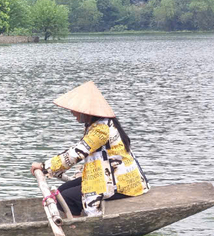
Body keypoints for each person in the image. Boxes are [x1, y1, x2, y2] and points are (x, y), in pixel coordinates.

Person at [30, 81, 149, 217]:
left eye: (75, 110)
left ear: (86, 111)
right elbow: (77, 150)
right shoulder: (96, 125)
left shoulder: (101, 130)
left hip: (121, 184)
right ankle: (75, 221)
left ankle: (77, 229)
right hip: (106, 176)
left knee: (66, 198)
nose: (72, 113)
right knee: (61, 191)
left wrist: (44, 167)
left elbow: (77, 153)